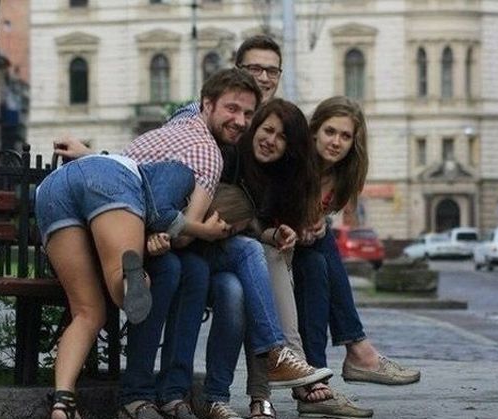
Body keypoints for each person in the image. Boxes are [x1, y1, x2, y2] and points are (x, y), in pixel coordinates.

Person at [55, 68, 327, 419]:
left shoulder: (273, 175)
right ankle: (270, 354)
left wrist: (269, 233)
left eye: (248, 113)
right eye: (264, 127)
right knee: (189, 266)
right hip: (173, 239)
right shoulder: (215, 150)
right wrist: (91, 154)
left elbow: (137, 171)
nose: (245, 123)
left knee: (226, 281)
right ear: (208, 105)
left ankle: (201, 395)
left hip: (197, 247)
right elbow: (137, 169)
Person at [193, 99, 373, 419]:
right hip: (204, 249)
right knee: (258, 262)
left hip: (242, 261)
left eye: (282, 137)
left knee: (244, 286)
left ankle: (248, 398)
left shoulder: (281, 178)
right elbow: (224, 216)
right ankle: (286, 365)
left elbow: (257, 227)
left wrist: (277, 233)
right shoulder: (231, 157)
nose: (271, 140)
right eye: (267, 130)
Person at [36, 154, 232, 419]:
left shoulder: (139, 166)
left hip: (51, 191)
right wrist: (203, 230)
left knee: (87, 313)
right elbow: (162, 214)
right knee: (123, 278)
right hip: (109, 180)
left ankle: (63, 402)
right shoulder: (182, 172)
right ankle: (130, 277)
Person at [293, 96, 421, 393]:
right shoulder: (295, 163)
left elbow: (317, 219)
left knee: (317, 259)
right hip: (272, 247)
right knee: (321, 251)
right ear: (314, 131)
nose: (336, 142)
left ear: (354, 142)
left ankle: (318, 378)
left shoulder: (341, 175)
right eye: (330, 131)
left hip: (304, 252)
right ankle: (355, 351)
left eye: (345, 136)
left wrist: (317, 225)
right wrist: (300, 225)